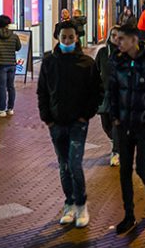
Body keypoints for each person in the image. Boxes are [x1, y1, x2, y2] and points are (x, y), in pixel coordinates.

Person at [103, 25, 145, 235]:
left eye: (122, 39)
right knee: (125, 171)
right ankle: (129, 215)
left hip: (144, 126)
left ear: (134, 40)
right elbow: (112, 91)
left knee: (142, 168)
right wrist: (115, 117)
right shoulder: (117, 61)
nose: (118, 42)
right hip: (123, 126)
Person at [37, 21, 100, 228]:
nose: (67, 41)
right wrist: (47, 118)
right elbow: (42, 91)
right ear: (57, 37)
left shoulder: (87, 63)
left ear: (77, 38)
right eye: (63, 37)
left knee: (74, 163)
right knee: (63, 166)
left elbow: (96, 92)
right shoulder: (48, 62)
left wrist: (85, 115)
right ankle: (69, 203)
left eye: (71, 37)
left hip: (77, 123)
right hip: (56, 122)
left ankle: (81, 204)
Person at [94, 27, 122, 167]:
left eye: (118, 36)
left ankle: (116, 152)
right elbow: (95, 71)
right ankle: (118, 141)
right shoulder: (103, 53)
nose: (116, 38)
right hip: (104, 94)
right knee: (106, 125)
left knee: (116, 123)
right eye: (113, 35)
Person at [0, 15, 22, 116]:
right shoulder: (14, 35)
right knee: (11, 86)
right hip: (11, 63)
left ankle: (2, 109)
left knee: (2, 87)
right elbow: (18, 47)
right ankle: (10, 108)